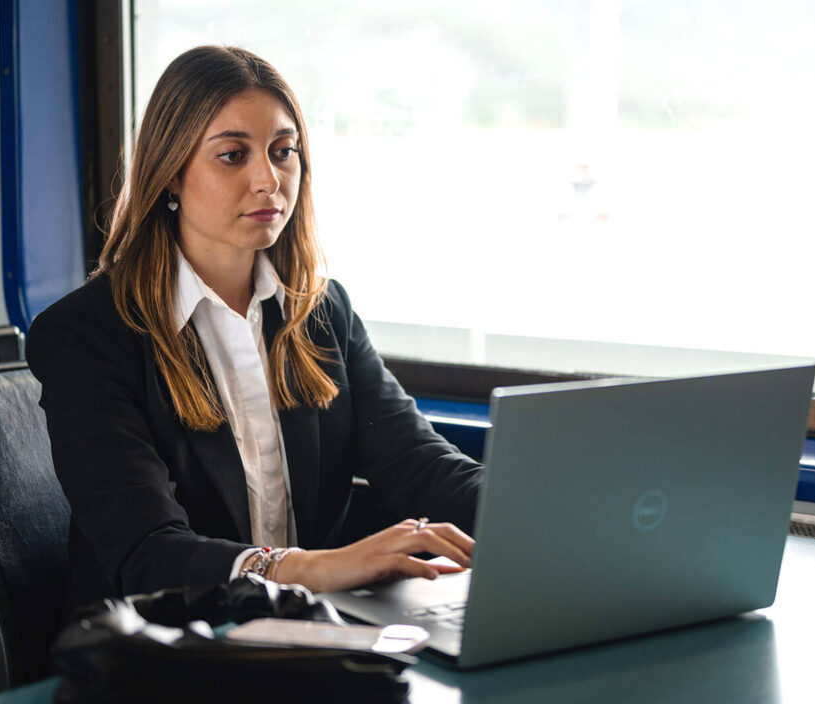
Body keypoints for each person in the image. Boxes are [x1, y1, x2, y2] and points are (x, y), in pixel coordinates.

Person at [26, 45, 482, 615]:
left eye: (283, 152)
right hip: (164, 646)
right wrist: (317, 568)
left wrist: (551, 511)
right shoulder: (85, 335)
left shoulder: (322, 311)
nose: (268, 180)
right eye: (232, 155)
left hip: (303, 632)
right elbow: (146, 554)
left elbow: (419, 463)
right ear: (170, 173)